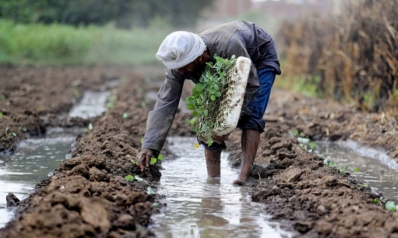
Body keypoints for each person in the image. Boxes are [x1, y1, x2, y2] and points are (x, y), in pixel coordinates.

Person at [136, 20, 281, 185]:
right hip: (224, 64)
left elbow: (250, 85)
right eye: (178, 68)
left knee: (252, 115)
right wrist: (149, 146)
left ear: (198, 58)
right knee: (208, 122)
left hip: (259, 57)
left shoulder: (229, 45)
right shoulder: (178, 64)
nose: (181, 72)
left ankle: (244, 177)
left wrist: (229, 123)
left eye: (183, 67)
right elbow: (165, 103)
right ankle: (213, 180)